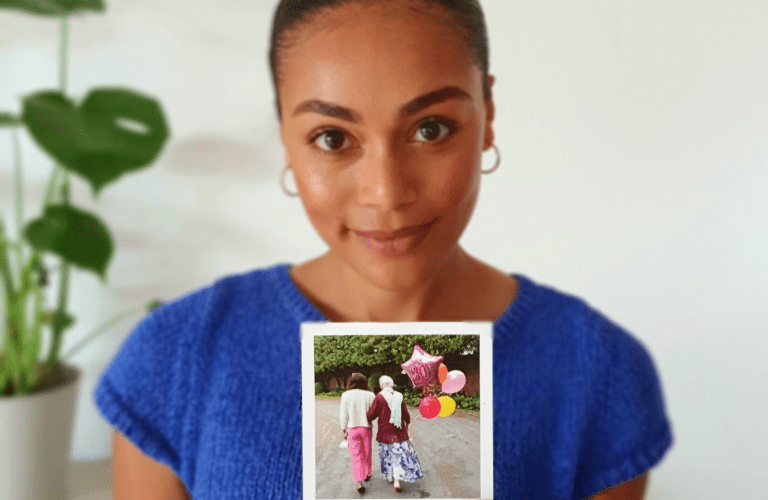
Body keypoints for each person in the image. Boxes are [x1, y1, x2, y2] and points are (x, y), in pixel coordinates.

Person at [96, 0, 673, 499]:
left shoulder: (599, 373)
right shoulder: (173, 360)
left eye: (431, 128)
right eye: (332, 138)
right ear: (285, 138)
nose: (386, 193)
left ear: (487, 115)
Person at [366, 375, 422, 493]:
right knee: (398, 456)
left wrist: (367, 417)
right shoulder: (399, 396)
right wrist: (408, 422)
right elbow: (405, 413)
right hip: (399, 431)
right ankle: (397, 480)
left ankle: (390, 477)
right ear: (392, 385)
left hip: (385, 432)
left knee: (387, 455)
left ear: (381, 386)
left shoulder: (379, 397)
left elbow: (371, 415)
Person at [339, 373, 376, 494]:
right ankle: (367, 473)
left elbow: (344, 414)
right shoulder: (370, 395)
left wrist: (343, 428)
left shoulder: (346, 395)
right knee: (367, 452)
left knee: (356, 456)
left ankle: (359, 482)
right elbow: (373, 413)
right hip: (366, 428)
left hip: (352, 428)